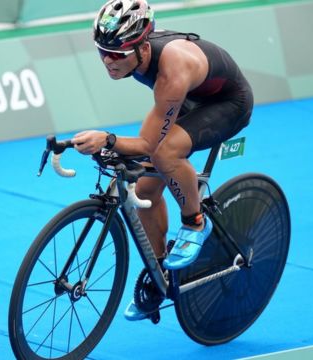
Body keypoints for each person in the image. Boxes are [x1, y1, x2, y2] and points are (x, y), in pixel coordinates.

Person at [72, 0, 253, 320]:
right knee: (141, 191)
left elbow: (149, 143)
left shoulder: (172, 66)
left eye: (117, 54)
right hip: (188, 98)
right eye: (102, 51)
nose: (108, 61)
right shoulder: (135, 57)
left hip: (227, 103)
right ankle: (161, 274)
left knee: (165, 152)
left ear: (142, 47)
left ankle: (195, 222)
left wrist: (109, 139)